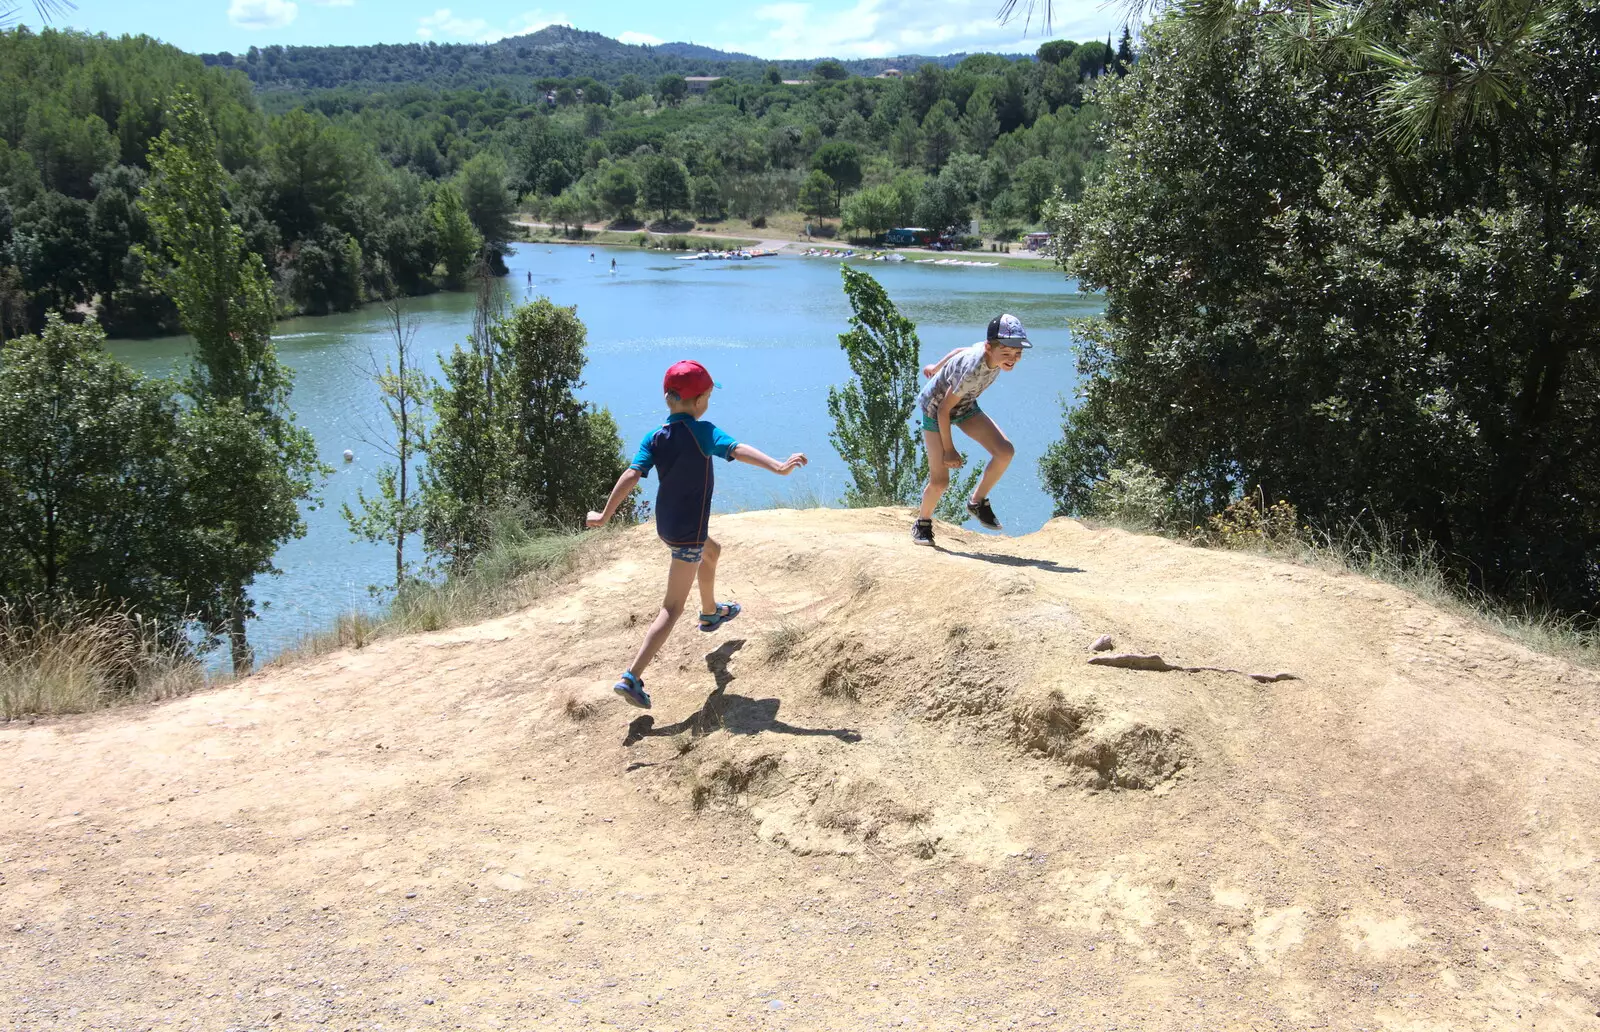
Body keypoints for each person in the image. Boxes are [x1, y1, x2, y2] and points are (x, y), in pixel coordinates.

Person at [587, 360, 808, 709]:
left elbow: (631, 475)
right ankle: (632, 676)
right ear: (701, 399)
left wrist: (603, 515)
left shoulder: (654, 437)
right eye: (707, 395)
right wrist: (778, 466)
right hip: (688, 535)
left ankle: (710, 613)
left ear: (667, 397)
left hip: (669, 525)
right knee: (671, 608)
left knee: (713, 550)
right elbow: (738, 449)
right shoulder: (702, 431)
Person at [910, 314, 1030, 546]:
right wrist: (949, 450)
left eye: (1017, 354)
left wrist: (936, 367)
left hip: (964, 405)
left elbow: (959, 350)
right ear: (989, 348)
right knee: (940, 481)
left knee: (1005, 451)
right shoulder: (974, 369)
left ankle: (976, 502)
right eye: (1006, 353)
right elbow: (944, 410)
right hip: (936, 410)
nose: (1012, 359)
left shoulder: (987, 352)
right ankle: (922, 523)